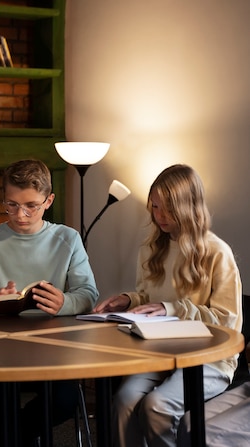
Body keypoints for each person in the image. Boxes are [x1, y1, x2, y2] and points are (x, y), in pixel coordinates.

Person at [92, 164, 242, 447]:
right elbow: (150, 301)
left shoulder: (216, 252)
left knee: (156, 406)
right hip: (160, 352)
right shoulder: (151, 249)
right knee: (123, 402)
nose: (160, 216)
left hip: (207, 359)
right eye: (156, 207)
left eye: (168, 209)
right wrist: (130, 300)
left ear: (188, 206)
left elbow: (227, 323)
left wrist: (172, 308)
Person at [0, 159, 99, 446]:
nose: (20, 215)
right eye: (11, 205)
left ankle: (10, 440)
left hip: (54, 348)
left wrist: (65, 302)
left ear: (49, 201)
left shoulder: (67, 239)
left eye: (31, 206)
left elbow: (88, 294)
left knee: (63, 400)